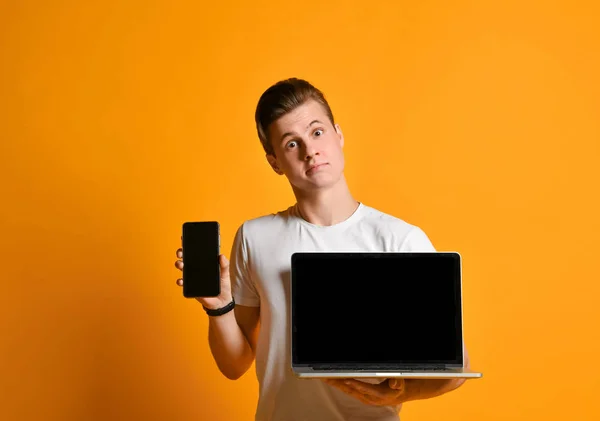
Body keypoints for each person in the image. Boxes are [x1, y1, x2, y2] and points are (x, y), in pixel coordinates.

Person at [174, 78, 471, 421]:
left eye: (317, 132)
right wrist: (218, 306)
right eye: (290, 144)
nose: (310, 150)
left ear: (338, 135)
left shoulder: (399, 239)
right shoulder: (255, 237)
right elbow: (235, 364)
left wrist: (395, 392)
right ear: (274, 162)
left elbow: (456, 368)